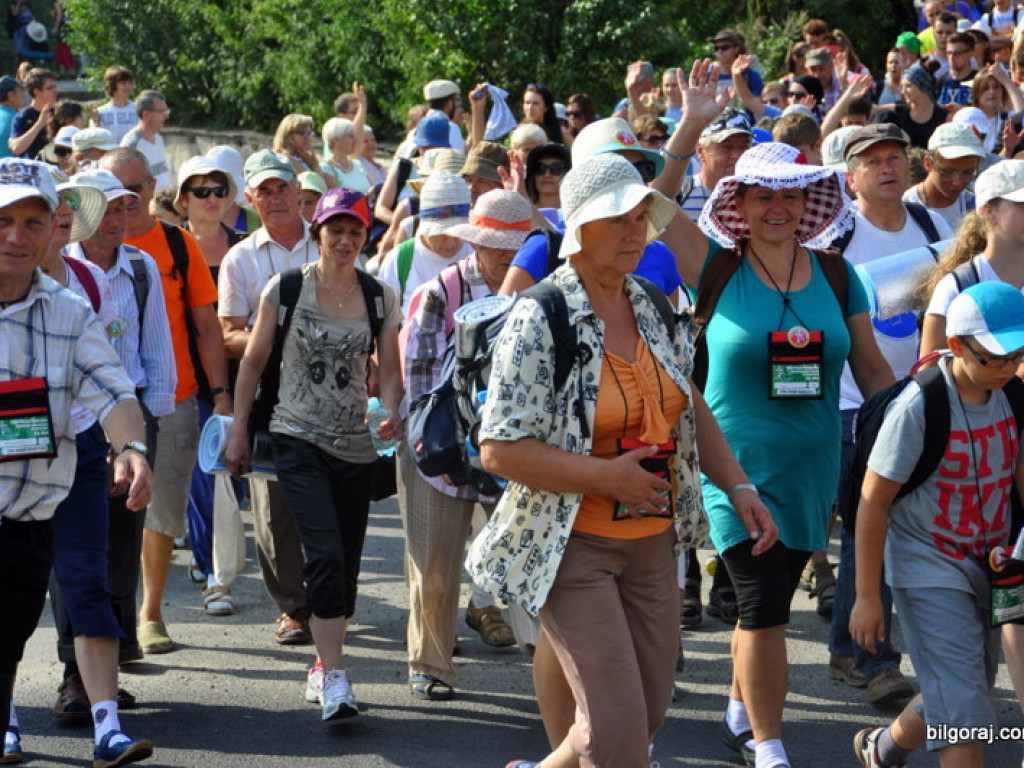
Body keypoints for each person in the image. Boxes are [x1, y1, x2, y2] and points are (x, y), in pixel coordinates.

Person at [473, 153, 777, 768]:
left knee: (643, 715)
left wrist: (738, 483)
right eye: (618, 220)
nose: (635, 232)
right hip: (570, 545)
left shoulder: (651, 302)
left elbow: (687, 403)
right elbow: (499, 448)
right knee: (617, 735)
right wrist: (605, 477)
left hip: (654, 543)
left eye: (642, 218)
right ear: (580, 228)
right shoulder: (540, 314)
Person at [648, 60, 896, 768]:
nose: (776, 209)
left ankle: (738, 704)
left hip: (814, 464)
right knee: (764, 609)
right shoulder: (714, 266)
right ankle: (770, 745)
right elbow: (650, 204)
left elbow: (872, 367)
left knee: (774, 596)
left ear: (811, 201)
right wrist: (690, 125)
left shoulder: (839, 274)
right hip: (734, 466)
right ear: (741, 204)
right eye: (761, 196)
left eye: (790, 196)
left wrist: (904, 424)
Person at [226, 187, 402, 721]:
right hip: (295, 435)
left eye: (355, 232)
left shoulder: (378, 296)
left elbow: (389, 368)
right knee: (322, 553)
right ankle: (335, 675)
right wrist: (237, 430)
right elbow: (253, 364)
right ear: (318, 232)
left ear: (365, 236)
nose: (346, 241)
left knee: (344, 566)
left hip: (356, 444)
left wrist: (390, 406)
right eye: (336, 231)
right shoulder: (286, 288)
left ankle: (323, 667)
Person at [0, 157, 154, 768]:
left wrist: (133, 449)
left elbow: (113, 389)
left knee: (90, 589)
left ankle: (107, 727)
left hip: (56, 480)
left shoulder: (69, 309)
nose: (17, 236)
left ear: (52, 230)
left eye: (33, 223)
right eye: (4, 221)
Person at [851, 281, 1024, 768]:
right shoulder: (918, 407)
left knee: (960, 685)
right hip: (928, 565)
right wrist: (867, 598)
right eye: (994, 357)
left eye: (1018, 355)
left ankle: (881, 749)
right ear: (956, 346)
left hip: (992, 562)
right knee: (965, 704)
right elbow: (871, 503)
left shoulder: (1014, 395)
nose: (1008, 367)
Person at [401, 190, 536, 701]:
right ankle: (431, 665)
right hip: (444, 448)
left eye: (516, 242)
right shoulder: (441, 289)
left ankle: (546, 663)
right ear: (475, 242)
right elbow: (418, 379)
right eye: (495, 242)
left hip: (521, 452)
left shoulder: (544, 289)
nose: (506, 252)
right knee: (434, 565)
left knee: (529, 562)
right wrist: (433, 442)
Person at [101, 147, 232, 654]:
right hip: (100, 407)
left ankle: (149, 613)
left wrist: (220, 396)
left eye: (136, 188)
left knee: (159, 512)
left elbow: (205, 326)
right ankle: (108, 619)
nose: (128, 199)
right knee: (109, 514)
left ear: (153, 188)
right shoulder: (77, 248)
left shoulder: (177, 245)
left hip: (171, 399)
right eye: (117, 190)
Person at [218, 149, 314, 645]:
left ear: (298, 191)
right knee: (274, 509)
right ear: (250, 199)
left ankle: (327, 597)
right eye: (265, 191)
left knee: (333, 497)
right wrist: (275, 335)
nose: (275, 199)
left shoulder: (332, 242)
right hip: (268, 392)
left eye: (282, 188)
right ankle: (294, 608)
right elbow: (227, 334)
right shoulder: (240, 257)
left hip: (330, 389)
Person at [173, 155, 247, 616]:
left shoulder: (243, 247)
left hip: (244, 379)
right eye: (202, 191)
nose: (213, 199)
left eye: (220, 190)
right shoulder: (173, 247)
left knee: (236, 479)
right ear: (184, 199)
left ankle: (217, 552)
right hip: (195, 381)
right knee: (207, 478)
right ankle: (211, 566)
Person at [903, 121, 982, 230]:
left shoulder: (979, 208)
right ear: (928, 163)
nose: (957, 182)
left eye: (968, 173)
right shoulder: (903, 208)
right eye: (948, 172)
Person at [873, 61, 948, 148]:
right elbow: (873, 109)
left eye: (908, 86)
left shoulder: (944, 116)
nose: (903, 91)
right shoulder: (899, 110)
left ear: (922, 86)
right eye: (902, 87)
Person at [120, 90, 171, 191]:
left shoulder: (158, 138)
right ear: (146, 114)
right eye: (161, 111)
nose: (166, 116)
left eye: (166, 111)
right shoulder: (131, 145)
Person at [273, 113, 333, 190]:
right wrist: (315, 166)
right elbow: (313, 185)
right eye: (301, 133)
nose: (307, 138)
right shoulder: (286, 159)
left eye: (309, 133)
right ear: (288, 135)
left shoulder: (307, 158)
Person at [9, 67, 56, 160]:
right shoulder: (23, 116)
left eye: (55, 87)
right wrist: (40, 124)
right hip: (32, 170)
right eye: (50, 88)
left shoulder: (59, 113)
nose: (56, 91)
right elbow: (16, 148)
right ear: (37, 92)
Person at [321, 117, 370, 194]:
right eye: (350, 136)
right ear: (336, 140)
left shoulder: (358, 164)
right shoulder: (327, 168)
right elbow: (337, 198)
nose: (355, 140)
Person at [92, 65, 137, 144]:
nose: (128, 86)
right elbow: (96, 141)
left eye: (130, 83)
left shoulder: (138, 109)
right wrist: (96, 123)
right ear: (112, 85)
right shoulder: (101, 112)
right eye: (123, 83)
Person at [524, 142, 570, 216]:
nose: (547, 175)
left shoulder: (577, 214)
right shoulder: (523, 214)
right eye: (540, 168)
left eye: (556, 168)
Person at [423, 79, 465, 152]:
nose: (459, 104)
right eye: (457, 100)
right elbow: (457, 160)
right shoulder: (450, 127)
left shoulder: (417, 128)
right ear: (449, 104)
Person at [0, 75, 22, 159]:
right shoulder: (17, 118)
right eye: (20, 91)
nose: (23, 96)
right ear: (11, 95)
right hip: (8, 170)